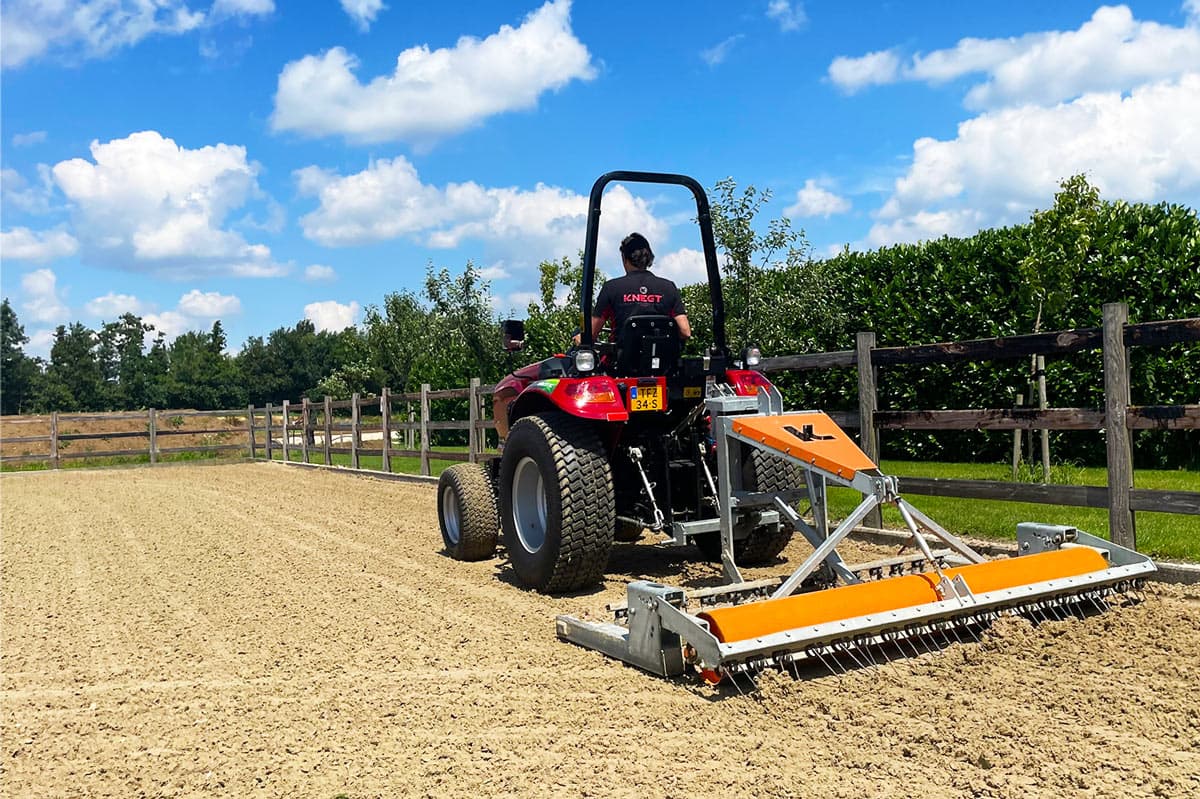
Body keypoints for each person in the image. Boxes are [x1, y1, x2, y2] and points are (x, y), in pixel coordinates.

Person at [585, 232, 691, 343]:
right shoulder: (669, 288)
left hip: (622, 359)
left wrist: (579, 337)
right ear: (649, 258)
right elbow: (685, 331)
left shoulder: (611, 288)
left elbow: (591, 334)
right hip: (662, 359)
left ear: (624, 258)